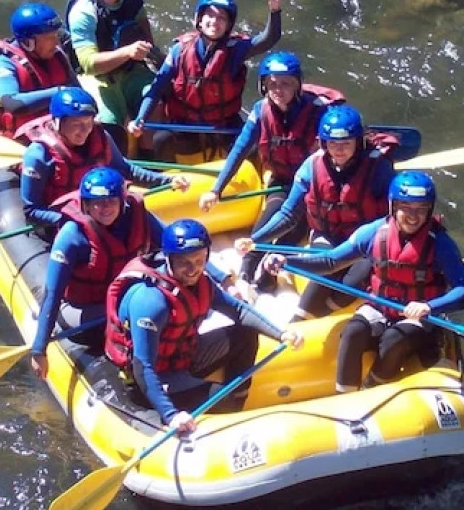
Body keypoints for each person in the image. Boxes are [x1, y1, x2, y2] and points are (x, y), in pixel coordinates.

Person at [264, 171, 464, 390]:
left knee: (396, 337)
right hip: (380, 308)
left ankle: (372, 386)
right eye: (406, 208)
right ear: (393, 206)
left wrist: (429, 306)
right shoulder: (374, 232)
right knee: (352, 332)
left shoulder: (440, 243)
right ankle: (344, 394)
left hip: (419, 318)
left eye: (421, 209)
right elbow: (330, 261)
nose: (413, 216)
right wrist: (286, 262)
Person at [104, 218, 302, 435]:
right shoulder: (151, 302)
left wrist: (281, 333)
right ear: (168, 259)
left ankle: (238, 399)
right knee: (220, 395)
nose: (193, 270)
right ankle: (219, 418)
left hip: (184, 356)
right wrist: (171, 415)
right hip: (157, 376)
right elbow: (143, 368)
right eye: (184, 263)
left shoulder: (202, 283)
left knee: (245, 333)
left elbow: (239, 310)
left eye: (199, 261)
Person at [234, 104, 395, 316]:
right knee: (326, 266)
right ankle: (300, 317)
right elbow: (288, 215)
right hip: (327, 235)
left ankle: (325, 311)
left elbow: (393, 217)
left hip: (365, 243)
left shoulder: (379, 169)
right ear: (323, 143)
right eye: (332, 143)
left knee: (351, 284)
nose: (339, 150)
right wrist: (256, 240)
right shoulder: (311, 166)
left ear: (359, 142)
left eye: (346, 143)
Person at [199, 50, 343, 285]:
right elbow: (239, 150)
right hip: (282, 180)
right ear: (263, 85)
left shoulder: (320, 113)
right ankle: (246, 271)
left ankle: (266, 279)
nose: (279, 89)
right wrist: (216, 189)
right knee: (268, 219)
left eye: (286, 84)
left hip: (313, 188)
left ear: (298, 85)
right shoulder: (260, 111)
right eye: (272, 83)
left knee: (291, 232)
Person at [126, 0, 290, 161]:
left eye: (221, 18)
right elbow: (157, 88)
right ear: (200, 20)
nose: (214, 21)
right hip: (185, 125)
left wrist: (275, 9)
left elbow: (268, 39)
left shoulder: (235, 50)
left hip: (224, 126)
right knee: (161, 140)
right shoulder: (179, 51)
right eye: (209, 15)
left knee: (252, 148)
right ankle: (165, 180)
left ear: (228, 25)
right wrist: (141, 118)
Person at [28, 167, 164, 379]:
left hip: (122, 298)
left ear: (122, 201)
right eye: (96, 203)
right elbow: (52, 294)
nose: (104, 208)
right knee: (140, 314)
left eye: (111, 201)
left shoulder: (137, 215)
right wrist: (39, 349)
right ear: (86, 205)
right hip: (82, 311)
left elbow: (174, 249)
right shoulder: (72, 235)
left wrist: (220, 279)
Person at [20, 88, 189, 233]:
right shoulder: (38, 155)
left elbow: (125, 170)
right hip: (67, 224)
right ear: (57, 122)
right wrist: (74, 220)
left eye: (88, 122)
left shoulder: (100, 136)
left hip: (103, 210)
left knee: (136, 208)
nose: (85, 130)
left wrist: (167, 180)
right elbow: (31, 210)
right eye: (76, 123)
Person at [65, 0, 160, 143]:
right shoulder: (83, 11)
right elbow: (88, 64)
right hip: (98, 77)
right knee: (109, 121)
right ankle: (116, 162)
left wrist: (158, 57)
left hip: (130, 70)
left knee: (156, 100)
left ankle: (150, 162)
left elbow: (144, 31)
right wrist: (127, 52)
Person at [0, 2, 80, 136]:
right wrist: (60, 92)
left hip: (58, 134)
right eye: (49, 38)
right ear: (28, 42)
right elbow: (13, 104)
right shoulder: (3, 63)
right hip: (20, 139)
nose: (56, 42)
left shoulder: (57, 55)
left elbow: (77, 90)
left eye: (55, 35)